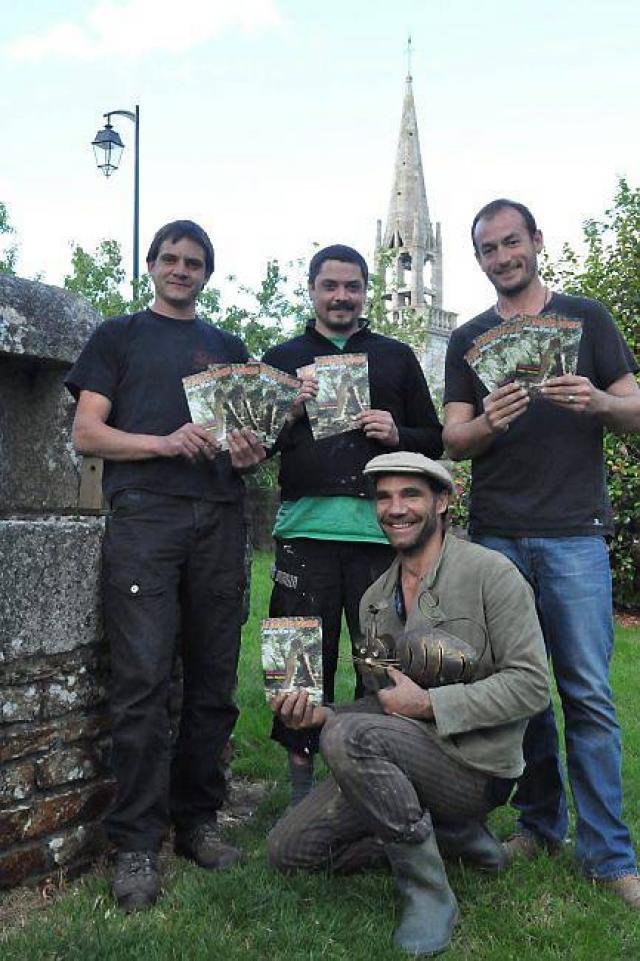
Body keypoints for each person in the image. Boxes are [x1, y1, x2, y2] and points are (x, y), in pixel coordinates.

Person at [268, 452, 550, 956]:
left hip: (475, 767)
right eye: (383, 497)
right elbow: (385, 704)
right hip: (404, 754)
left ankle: (427, 890)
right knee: (289, 852)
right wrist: (322, 716)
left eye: (410, 494)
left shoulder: (492, 573)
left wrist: (430, 704)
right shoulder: (373, 601)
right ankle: (451, 839)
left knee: (348, 737)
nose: (395, 509)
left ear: (442, 502)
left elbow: (531, 686)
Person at [442, 198, 640, 906]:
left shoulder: (589, 318)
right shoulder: (468, 339)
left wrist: (598, 401)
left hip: (575, 532)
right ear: (480, 260)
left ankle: (610, 853)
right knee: (525, 696)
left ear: (535, 242)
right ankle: (539, 822)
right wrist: (487, 423)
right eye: (489, 249)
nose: (502, 257)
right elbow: (453, 440)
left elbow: (635, 408)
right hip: (498, 534)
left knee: (586, 692)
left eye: (511, 243)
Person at [66, 220, 265, 911]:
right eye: (171, 259)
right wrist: (160, 441)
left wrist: (249, 451)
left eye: (195, 261)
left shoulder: (229, 348)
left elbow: (251, 441)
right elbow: (87, 431)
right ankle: (136, 843)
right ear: (151, 265)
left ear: (208, 273)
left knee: (212, 677)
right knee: (143, 681)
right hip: (146, 517)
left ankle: (199, 820)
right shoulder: (117, 337)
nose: (182, 269)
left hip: (219, 516)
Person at [262, 245, 443, 804]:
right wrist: (289, 408)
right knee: (297, 666)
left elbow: (434, 439)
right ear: (311, 289)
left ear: (366, 291)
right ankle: (299, 791)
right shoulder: (282, 356)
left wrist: (398, 433)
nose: (341, 296)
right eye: (330, 285)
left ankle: (377, 777)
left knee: (383, 666)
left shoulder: (395, 357)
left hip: (380, 540)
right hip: (303, 535)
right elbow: (251, 444)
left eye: (352, 286)